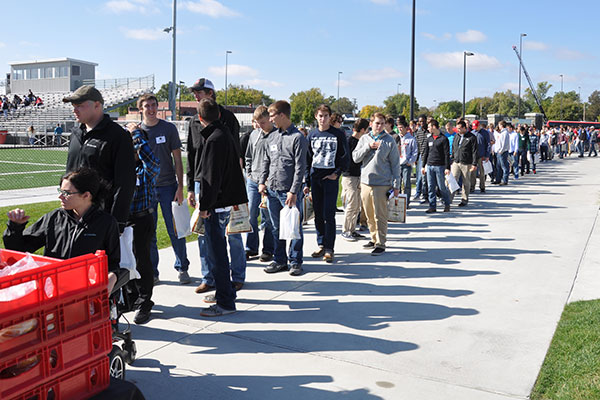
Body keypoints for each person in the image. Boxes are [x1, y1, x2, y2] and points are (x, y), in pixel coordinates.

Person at [3, 168, 120, 293]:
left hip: (85, 292)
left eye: (67, 193)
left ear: (86, 195)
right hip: (52, 290)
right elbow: (18, 249)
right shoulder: (53, 218)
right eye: (60, 191)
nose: (60, 196)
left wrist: (109, 282)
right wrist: (15, 227)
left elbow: (113, 264)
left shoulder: (106, 223)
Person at [188, 78, 246, 294]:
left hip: (222, 185)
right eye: (194, 92)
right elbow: (193, 155)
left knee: (233, 234)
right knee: (205, 236)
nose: (195, 95)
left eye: (199, 91)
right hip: (202, 181)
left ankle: (237, 275)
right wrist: (191, 186)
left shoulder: (227, 119)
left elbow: (233, 156)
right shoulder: (195, 121)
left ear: (210, 93)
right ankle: (209, 277)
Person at [63, 85, 136, 234]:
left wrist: (117, 222)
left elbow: (125, 183)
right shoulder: (76, 134)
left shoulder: (117, 136)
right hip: (73, 217)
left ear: (97, 105)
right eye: (73, 106)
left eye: (80, 106)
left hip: (102, 217)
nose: (74, 110)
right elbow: (69, 173)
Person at [137, 94, 190, 285]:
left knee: (175, 230)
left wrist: (180, 187)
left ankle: (182, 267)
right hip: (147, 189)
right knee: (149, 233)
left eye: (153, 105)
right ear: (140, 109)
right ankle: (153, 272)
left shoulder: (168, 128)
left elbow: (178, 159)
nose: (151, 109)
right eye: (146, 106)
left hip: (168, 187)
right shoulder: (137, 132)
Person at [258, 100, 308, 275]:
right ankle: (279, 260)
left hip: (289, 191)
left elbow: (300, 167)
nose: (270, 119)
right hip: (272, 189)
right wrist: (262, 181)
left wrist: (294, 191)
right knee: (275, 227)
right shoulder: (272, 136)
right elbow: (266, 160)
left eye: (272, 115)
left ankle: (295, 261)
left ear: (282, 115)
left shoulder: (298, 138)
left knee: (294, 227)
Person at [125, 123, 160, 324]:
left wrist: (137, 135)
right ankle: (131, 297)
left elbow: (154, 164)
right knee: (125, 261)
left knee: (142, 261)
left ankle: (145, 302)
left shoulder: (146, 168)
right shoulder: (123, 166)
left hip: (142, 218)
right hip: (124, 219)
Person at [352, 112, 401, 256]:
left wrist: (397, 185)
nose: (379, 126)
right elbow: (355, 158)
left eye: (382, 123)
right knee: (369, 214)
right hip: (366, 182)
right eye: (377, 123)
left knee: (380, 214)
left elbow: (395, 164)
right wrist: (368, 146)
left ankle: (381, 242)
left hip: (382, 183)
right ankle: (373, 238)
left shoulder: (389, 140)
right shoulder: (364, 139)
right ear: (371, 124)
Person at [305, 104, 349, 263]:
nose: (323, 119)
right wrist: (306, 182)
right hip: (315, 178)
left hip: (330, 179)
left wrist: (336, 174)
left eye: (326, 115)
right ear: (316, 117)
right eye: (320, 115)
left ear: (330, 117)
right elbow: (307, 159)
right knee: (317, 214)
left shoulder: (338, 134)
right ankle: (321, 243)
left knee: (328, 214)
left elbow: (345, 157)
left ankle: (330, 248)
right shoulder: (312, 135)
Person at [245, 106, 276, 262]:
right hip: (253, 180)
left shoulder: (277, 135)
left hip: (270, 182)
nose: (260, 126)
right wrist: (249, 172)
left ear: (269, 119)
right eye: (257, 123)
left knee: (268, 217)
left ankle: (268, 249)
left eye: (263, 122)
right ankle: (251, 248)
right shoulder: (254, 135)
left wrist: (269, 179)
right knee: (251, 215)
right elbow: (248, 155)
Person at [341, 118, 369, 242]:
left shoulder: (360, 141)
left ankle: (352, 229)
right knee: (351, 205)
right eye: (367, 129)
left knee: (357, 205)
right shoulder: (350, 141)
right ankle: (346, 230)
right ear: (362, 130)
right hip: (349, 177)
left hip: (358, 176)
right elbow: (349, 159)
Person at [422, 119, 451, 213]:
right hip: (430, 165)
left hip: (440, 166)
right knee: (430, 186)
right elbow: (426, 152)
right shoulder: (429, 138)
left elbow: (447, 154)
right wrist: (423, 165)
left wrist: (447, 167)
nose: (428, 129)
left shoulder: (443, 139)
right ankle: (432, 206)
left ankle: (447, 204)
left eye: (429, 127)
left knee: (441, 187)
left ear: (434, 127)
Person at [397, 119, 418, 206]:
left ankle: (406, 202)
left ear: (406, 128)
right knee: (397, 184)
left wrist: (410, 161)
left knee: (406, 184)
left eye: (401, 127)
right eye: (398, 128)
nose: (400, 129)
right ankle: (397, 201)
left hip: (406, 164)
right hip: (397, 164)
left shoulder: (411, 139)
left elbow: (415, 152)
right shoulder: (396, 138)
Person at [470, 121, 491, 193]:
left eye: (476, 127)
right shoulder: (472, 133)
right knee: (473, 172)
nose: (475, 129)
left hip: (481, 156)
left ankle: (482, 187)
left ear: (479, 126)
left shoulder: (485, 133)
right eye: (474, 128)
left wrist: (487, 155)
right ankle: (472, 187)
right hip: (473, 156)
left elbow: (488, 144)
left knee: (482, 172)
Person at [413, 115, 429, 203]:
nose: (421, 123)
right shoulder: (418, 132)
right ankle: (418, 193)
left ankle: (425, 195)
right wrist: (416, 158)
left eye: (423, 121)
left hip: (427, 157)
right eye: (420, 122)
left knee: (424, 177)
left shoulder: (429, 132)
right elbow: (417, 145)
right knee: (419, 177)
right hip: (420, 156)